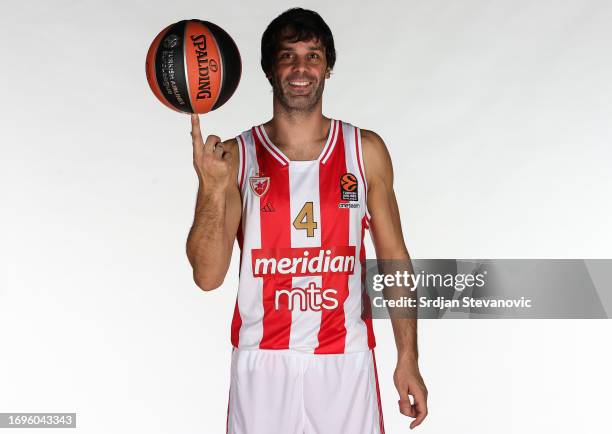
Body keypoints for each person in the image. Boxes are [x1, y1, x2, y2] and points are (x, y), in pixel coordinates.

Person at [186, 7, 428, 433]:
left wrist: (407, 357)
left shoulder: (364, 151)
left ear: (328, 67)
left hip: (344, 360)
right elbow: (207, 277)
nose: (301, 68)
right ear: (268, 69)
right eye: (288, 55)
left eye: (313, 56)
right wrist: (210, 187)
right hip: (263, 364)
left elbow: (394, 259)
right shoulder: (236, 158)